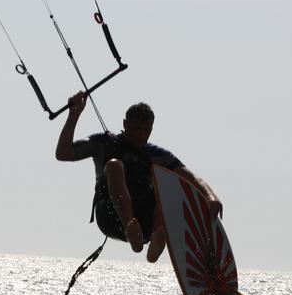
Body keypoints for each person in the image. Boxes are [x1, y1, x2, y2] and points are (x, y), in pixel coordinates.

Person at [55, 91, 221, 263]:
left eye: (146, 130)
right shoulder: (104, 143)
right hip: (110, 215)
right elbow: (63, 153)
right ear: (125, 124)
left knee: (166, 184)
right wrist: (74, 114)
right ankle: (130, 228)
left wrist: (210, 196)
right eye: (136, 129)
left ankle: (156, 242)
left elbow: (189, 176)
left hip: (145, 223)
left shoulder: (155, 154)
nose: (141, 135)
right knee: (114, 165)